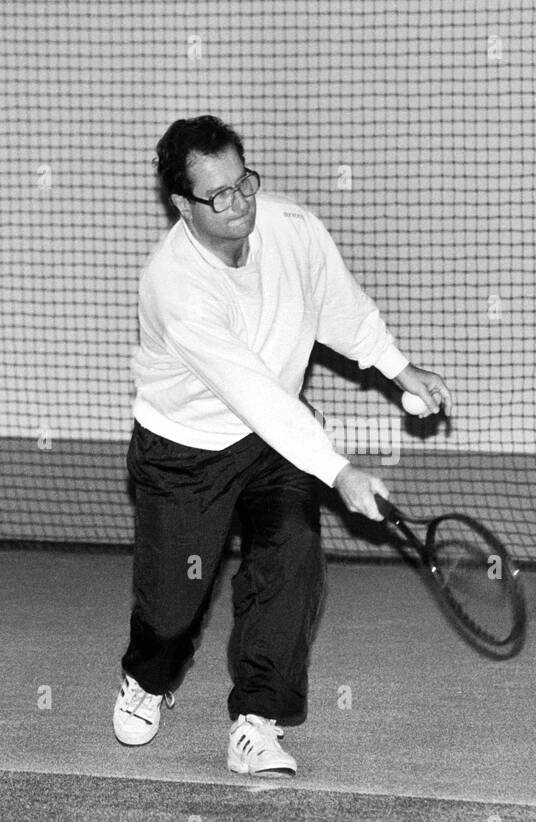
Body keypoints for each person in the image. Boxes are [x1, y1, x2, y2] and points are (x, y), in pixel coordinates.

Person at [115, 115, 452, 776]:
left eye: (245, 184)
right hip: (185, 450)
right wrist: (339, 470)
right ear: (182, 207)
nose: (240, 204)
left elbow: (335, 303)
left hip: (273, 446)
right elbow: (254, 394)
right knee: (173, 603)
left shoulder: (290, 227)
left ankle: (257, 722)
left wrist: (397, 366)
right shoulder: (175, 285)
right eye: (219, 196)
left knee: (292, 554)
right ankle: (146, 677)